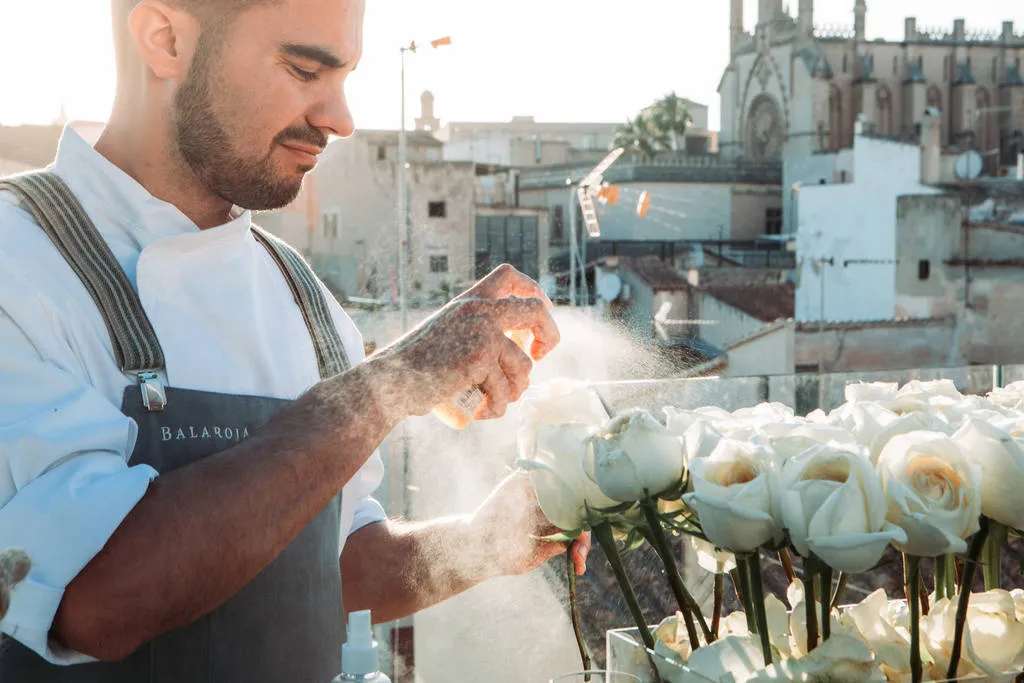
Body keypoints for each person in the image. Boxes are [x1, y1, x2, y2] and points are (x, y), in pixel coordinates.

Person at [0, 0, 590, 680]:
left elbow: (330, 564)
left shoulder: (302, 297)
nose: (341, 119)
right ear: (164, 40)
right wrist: (386, 384)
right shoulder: (21, 263)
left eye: (344, 79)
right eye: (306, 69)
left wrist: (489, 539)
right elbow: (98, 601)